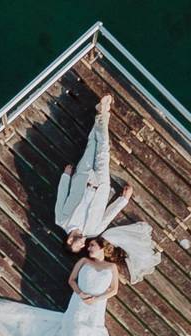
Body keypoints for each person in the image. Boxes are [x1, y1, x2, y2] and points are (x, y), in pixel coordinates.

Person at [55, 94, 161, 283]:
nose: (83, 245)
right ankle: (103, 112)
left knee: (92, 145)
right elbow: (108, 215)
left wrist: (66, 176)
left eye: (79, 246)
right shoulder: (93, 231)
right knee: (103, 150)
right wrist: (124, 199)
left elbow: (61, 196)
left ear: (70, 242)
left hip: (82, 177)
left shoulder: (61, 220)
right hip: (101, 186)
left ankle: (101, 114)